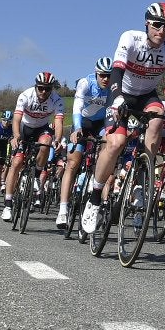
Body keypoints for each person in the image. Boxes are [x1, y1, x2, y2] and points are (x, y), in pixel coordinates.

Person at [81, 2, 165, 235]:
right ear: (147, 24)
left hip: (146, 95)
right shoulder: (130, 38)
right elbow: (117, 70)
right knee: (117, 143)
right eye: (157, 25)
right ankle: (95, 196)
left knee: (159, 115)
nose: (162, 30)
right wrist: (118, 96)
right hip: (121, 93)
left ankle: (145, 173)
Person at [55, 57, 113, 228]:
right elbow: (77, 106)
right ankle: (63, 210)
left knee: (108, 144)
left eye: (109, 76)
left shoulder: (113, 87)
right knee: (73, 163)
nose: (106, 79)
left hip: (101, 125)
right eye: (102, 75)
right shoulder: (85, 83)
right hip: (83, 123)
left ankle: (96, 181)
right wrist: (77, 128)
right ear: (96, 73)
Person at [1, 71, 66, 222]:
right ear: (36, 87)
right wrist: (16, 136)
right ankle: (8, 205)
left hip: (42, 128)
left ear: (51, 89)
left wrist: (57, 139)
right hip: (25, 128)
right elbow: (16, 119)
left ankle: (36, 175)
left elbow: (58, 122)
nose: (44, 92)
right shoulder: (25, 95)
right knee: (16, 163)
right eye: (41, 88)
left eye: (47, 89)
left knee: (46, 143)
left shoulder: (57, 100)